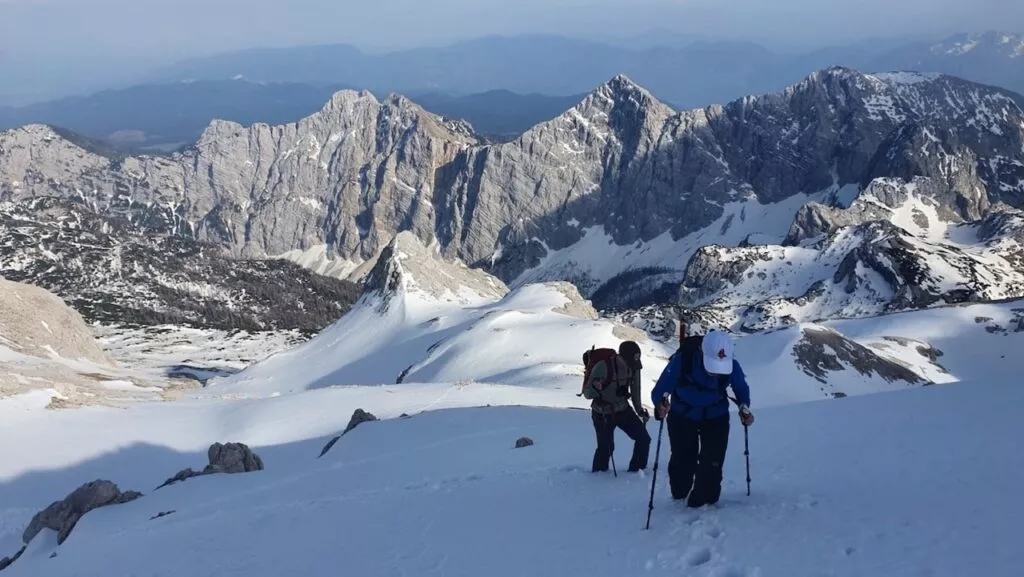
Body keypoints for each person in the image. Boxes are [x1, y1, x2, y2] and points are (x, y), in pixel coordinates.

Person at [650, 329, 753, 508]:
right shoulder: (683, 361)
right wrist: (660, 404)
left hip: (715, 416)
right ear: (701, 352)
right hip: (683, 415)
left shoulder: (731, 365)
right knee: (683, 458)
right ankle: (680, 494)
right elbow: (661, 389)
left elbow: (740, 387)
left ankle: (704, 500)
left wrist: (744, 406)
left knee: (713, 460)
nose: (715, 373)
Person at [581, 342, 651, 473]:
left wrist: (639, 410)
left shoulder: (634, 367)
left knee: (644, 439)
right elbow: (587, 394)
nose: (633, 365)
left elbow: (636, 389)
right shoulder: (603, 367)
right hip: (602, 413)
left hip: (622, 409)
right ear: (621, 357)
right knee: (606, 448)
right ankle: (597, 479)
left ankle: (637, 473)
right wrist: (596, 388)